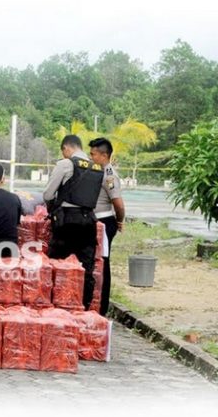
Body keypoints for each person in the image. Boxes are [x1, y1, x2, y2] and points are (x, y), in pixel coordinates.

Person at [43, 134, 104, 310]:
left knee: (57, 263)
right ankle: (83, 306)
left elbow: (48, 194)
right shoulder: (97, 167)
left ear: (66, 148)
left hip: (67, 220)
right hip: (89, 221)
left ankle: (54, 304)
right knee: (86, 266)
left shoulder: (65, 164)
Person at [89, 137, 126, 316]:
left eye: (93, 154)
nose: (91, 157)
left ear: (104, 155)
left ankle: (102, 307)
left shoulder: (109, 175)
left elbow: (118, 203)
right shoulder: (98, 171)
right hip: (97, 221)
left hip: (105, 222)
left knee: (103, 264)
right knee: (96, 262)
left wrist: (120, 220)